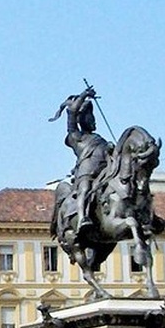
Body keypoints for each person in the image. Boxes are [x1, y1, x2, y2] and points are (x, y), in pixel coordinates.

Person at [49, 86, 111, 237]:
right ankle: (83, 217)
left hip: (105, 174)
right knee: (85, 188)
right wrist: (84, 95)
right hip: (87, 174)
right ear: (83, 120)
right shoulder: (76, 137)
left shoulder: (100, 139)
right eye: (91, 118)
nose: (94, 121)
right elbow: (72, 112)